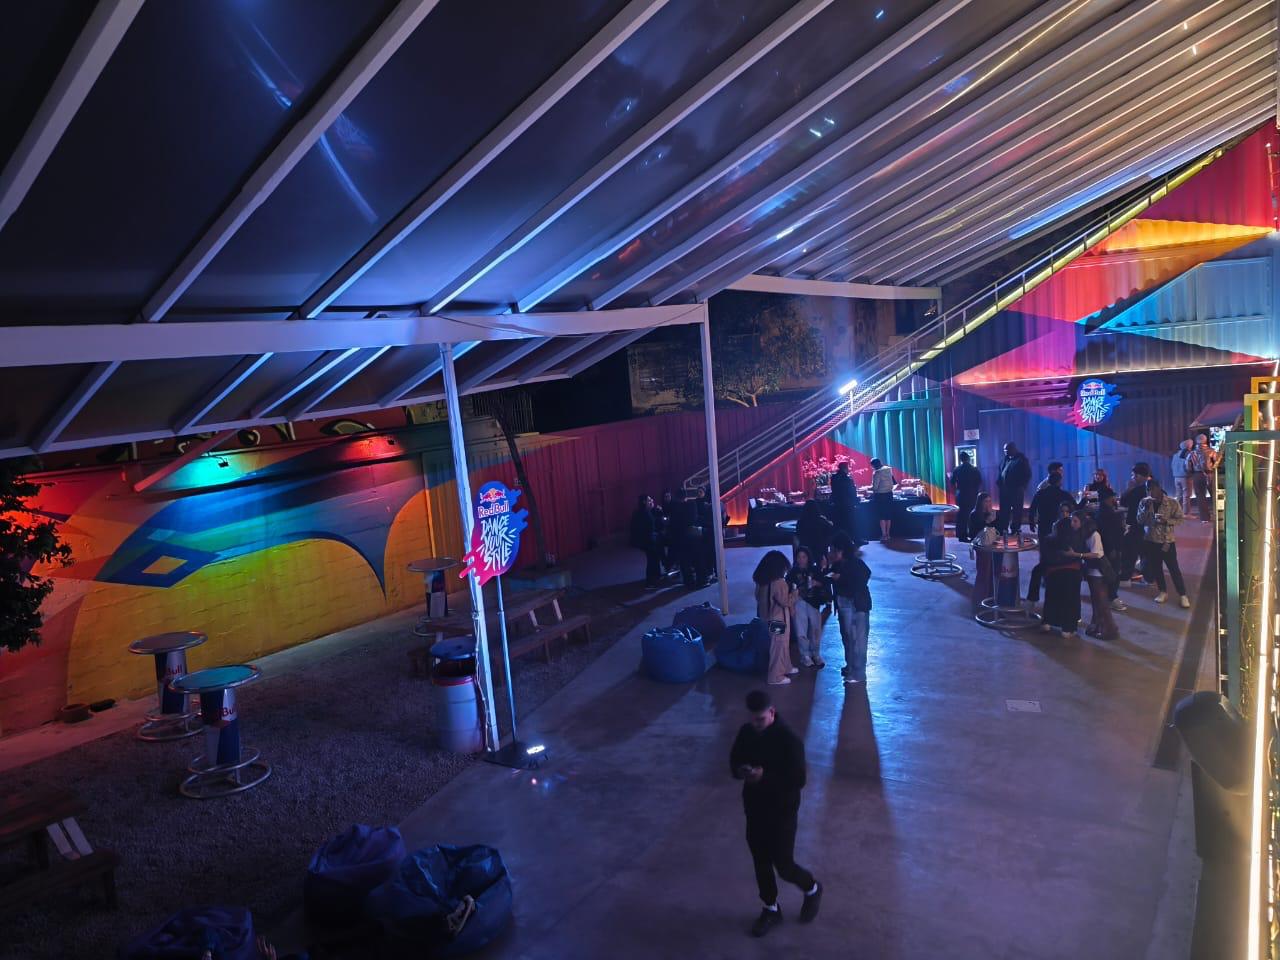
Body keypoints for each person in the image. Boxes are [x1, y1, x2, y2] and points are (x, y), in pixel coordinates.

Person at [729, 690, 822, 937]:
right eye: (752, 719)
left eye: (760, 719)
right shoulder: (747, 732)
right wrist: (741, 770)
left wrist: (764, 777)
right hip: (755, 809)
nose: (755, 724)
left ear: (772, 712)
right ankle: (770, 908)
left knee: (784, 865)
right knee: (760, 861)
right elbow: (734, 761)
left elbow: (798, 780)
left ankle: (812, 888)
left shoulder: (789, 740)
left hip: (782, 812)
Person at [825, 534, 872, 685]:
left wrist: (841, 578)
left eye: (834, 550)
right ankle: (851, 666)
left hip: (856, 606)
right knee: (848, 638)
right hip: (844, 605)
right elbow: (827, 577)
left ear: (842, 550)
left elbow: (863, 578)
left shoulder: (856, 564)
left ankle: (858, 673)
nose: (831, 553)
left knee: (858, 640)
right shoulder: (837, 565)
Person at [1137, 479, 1190, 607]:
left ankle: (1182, 595)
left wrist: (1167, 521)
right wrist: (1145, 509)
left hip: (1167, 541)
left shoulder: (1172, 502)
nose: (1150, 492)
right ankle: (1163, 591)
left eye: (1152, 489)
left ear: (1159, 487)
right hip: (1151, 540)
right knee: (1156, 567)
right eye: (1148, 489)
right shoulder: (1144, 502)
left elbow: (1181, 519)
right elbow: (1139, 520)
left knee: (1173, 568)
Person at [754, 550, 799, 685]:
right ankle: (775, 676)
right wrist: (794, 594)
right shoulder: (779, 583)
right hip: (779, 620)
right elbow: (785, 602)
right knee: (779, 646)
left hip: (767, 618)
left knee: (781, 644)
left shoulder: (761, 581)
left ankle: (786, 667)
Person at [1076, 510, 1119, 640]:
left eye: (1075, 521)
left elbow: (1097, 554)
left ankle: (1110, 630)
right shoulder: (1082, 533)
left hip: (1098, 571)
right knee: (1096, 601)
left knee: (1102, 602)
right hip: (1091, 570)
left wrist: (1079, 555)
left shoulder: (1094, 535)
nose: (1072, 523)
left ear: (1082, 521)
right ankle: (1097, 625)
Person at [1039, 515, 1084, 637]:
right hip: (1072, 573)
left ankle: (1047, 622)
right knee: (1070, 601)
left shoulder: (1049, 540)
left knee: (1051, 599)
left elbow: (1044, 558)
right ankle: (1067, 629)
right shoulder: (1076, 539)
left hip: (1052, 573)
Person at [787, 546, 828, 668]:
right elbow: (788, 588)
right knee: (801, 629)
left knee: (815, 629)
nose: (801, 560)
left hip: (814, 602)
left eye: (804, 557)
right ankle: (805, 655)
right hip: (799, 602)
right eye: (799, 557)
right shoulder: (792, 573)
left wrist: (816, 583)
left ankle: (816, 653)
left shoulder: (815, 570)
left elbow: (824, 583)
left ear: (808, 558)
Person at [1119, 463, 1152, 584]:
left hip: (1136, 526)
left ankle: (1125, 577)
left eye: (1133, 475)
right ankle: (1149, 578)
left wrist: (1129, 488)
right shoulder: (1157, 488)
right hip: (1152, 527)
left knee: (1130, 552)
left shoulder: (1137, 490)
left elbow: (1123, 502)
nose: (1132, 478)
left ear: (1138, 476)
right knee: (1148, 553)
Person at [1096, 490, 1128, 611]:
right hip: (1112, 548)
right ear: (1108, 498)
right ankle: (1112, 598)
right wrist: (1112, 549)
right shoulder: (1105, 513)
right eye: (1113, 497)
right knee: (1113, 573)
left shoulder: (1105, 510)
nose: (1114, 499)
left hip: (1112, 547)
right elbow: (1107, 533)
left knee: (1112, 573)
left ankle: (1110, 596)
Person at [968, 493, 999, 611]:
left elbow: (998, 529)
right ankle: (978, 600)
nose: (988, 504)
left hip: (992, 545)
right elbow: (974, 533)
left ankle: (991, 597)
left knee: (992, 572)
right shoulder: (974, 514)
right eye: (986, 501)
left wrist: (994, 519)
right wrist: (987, 521)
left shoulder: (993, 513)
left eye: (990, 501)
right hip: (981, 546)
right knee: (983, 572)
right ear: (980, 502)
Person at [996, 442, 1032, 535]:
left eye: (1007, 449)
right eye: (1004, 450)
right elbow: (1001, 472)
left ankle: (1015, 529)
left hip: (1016, 490)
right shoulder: (1004, 460)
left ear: (1013, 449)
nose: (1005, 451)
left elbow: (1027, 474)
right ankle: (1003, 529)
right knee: (1004, 510)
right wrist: (999, 483)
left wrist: (1021, 486)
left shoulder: (1021, 460)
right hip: (1004, 490)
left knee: (1017, 511)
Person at [628, 495, 663, 589]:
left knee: (655, 557)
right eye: (649, 500)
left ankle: (656, 576)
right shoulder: (643, 513)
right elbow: (650, 527)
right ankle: (650, 583)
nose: (651, 501)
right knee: (652, 559)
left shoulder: (644, 511)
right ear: (644, 502)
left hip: (646, 539)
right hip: (646, 540)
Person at [1028, 473, 1075, 539]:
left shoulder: (1040, 493)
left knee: (1043, 543)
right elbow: (1077, 507)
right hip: (1059, 526)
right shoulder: (1064, 494)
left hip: (1043, 526)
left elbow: (1032, 509)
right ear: (1060, 482)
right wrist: (1085, 499)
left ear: (1048, 481)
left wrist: (1031, 523)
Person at [950, 452, 981, 542]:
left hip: (960, 494)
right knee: (971, 514)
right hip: (972, 494)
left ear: (961, 459)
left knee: (961, 515)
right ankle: (972, 534)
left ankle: (960, 534)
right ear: (969, 459)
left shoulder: (957, 469)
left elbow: (952, 482)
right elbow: (979, 481)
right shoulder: (974, 469)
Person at [1188, 433, 1219, 523]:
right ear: (1206, 440)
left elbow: (1187, 466)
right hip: (1210, 474)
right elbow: (1217, 463)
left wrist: (1192, 472)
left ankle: (1204, 518)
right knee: (1214, 495)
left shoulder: (1192, 453)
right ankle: (1217, 515)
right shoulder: (1212, 451)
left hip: (1197, 475)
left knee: (1200, 496)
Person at [829, 461, 857, 540]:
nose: (849, 469)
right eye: (848, 468)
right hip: (847, 503)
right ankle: (854, 539)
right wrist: (855, 500)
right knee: (850, 522)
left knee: (839, 522)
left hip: (837, 503)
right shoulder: (847, 478)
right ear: (845, 468)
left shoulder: (833, 477)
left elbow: (833, 490)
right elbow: (851, 491)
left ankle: (839, 539)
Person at [869, 457, 895, 542]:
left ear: (874, 465)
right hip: (889, 494)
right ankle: (888, 534)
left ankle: (884, 535)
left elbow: (875, 487)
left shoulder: (877, 472)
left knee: (882, 516)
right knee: (888, 515)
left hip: (880, 496)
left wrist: (868, 488)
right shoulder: (889, 469)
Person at [1170, 440, 1193, 514]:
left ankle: (1176, 512)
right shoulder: (1188, 454)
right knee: (1186, 496)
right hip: (1185, 477)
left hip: (1176, 477)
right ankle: (1186, 513)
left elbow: (1172, 466)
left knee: (1178, 495)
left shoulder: (1175, 455)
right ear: (1189, 446)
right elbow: (1189, 467)